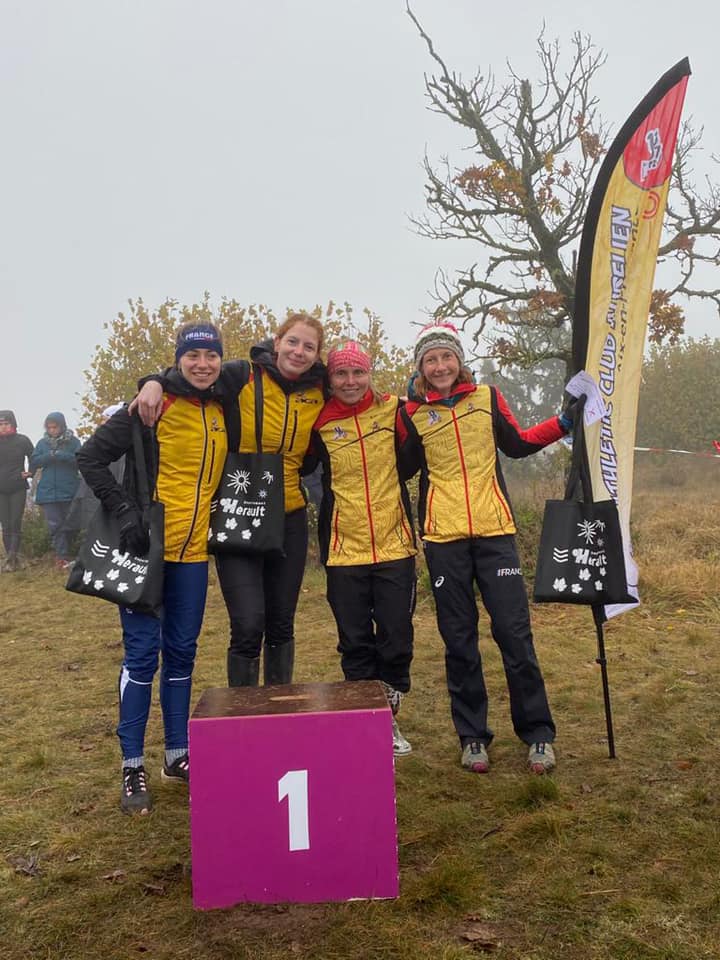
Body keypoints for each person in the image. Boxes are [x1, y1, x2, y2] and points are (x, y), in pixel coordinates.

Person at [398, 321, 574, 776]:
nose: (439, 366)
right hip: (443, 539)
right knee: (459, 641)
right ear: (420, 367)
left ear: (459, 360)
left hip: (495, 533)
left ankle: (538, 735)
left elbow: (517, 445)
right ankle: (472, 736)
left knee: (515, 635)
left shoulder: (487, 398)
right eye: (430, 359)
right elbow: (395, 467)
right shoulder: (412, 413)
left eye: (446, 357)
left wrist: (564, 422)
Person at [77, 323, 228, 815]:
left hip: (193, 553)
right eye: (193, 355)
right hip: (147, 551)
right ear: (178, 359)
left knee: (182, 652)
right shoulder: (151, 406)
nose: (202, 364)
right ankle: (131, 764)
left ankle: (177, 755)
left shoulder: (222, 404)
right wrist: (124, 512)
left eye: (211, 355)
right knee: (143, 657)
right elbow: (91, 457)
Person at [132, 312, 328, 688]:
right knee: (249, 621)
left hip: (289, 515)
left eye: (309, 347)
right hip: (238, 510)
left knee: (282, 622)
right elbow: (190, 375)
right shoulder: (242, 375)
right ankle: (243, 719)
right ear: (277, 343)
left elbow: (358, 392)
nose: (298, 352)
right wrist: (153, 381)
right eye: (292, 342)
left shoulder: (320, 388)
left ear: (317, 355)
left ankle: (276, 710)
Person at [311, 341, 416, 756]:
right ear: (330, 379)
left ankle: (387, 715)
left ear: (370, 374)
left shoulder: (396, 410)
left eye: (358, 373)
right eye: (341, 374)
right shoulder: (318, 422)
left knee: (397, 639)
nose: (351, 381)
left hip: (394, 545)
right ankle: (368, 725)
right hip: (343, 549)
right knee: (355, 642)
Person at [29, 412, 81, 569]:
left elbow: (81, 460)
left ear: (62, 426)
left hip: (69, 489)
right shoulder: (42, 443)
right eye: (49, 427)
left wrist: (62, 455)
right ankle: (61, 556)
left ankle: (72, 552)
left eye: (55, 427)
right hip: (48, 492)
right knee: (55, 525)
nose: (52, 430)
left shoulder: (73, 442)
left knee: (72, 523)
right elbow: (34, 461)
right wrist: (49, 456)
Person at [0, 410, 34, 572]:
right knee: (5, 524)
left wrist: (30, 472)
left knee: (15, 522)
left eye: (6, 424)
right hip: (1, 488)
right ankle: (9, 559)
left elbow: (34, 456)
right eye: (0, 424)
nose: (3, 427)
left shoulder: (22, 440)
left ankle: (14, 556)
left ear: (13, 424)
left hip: (18, 487)